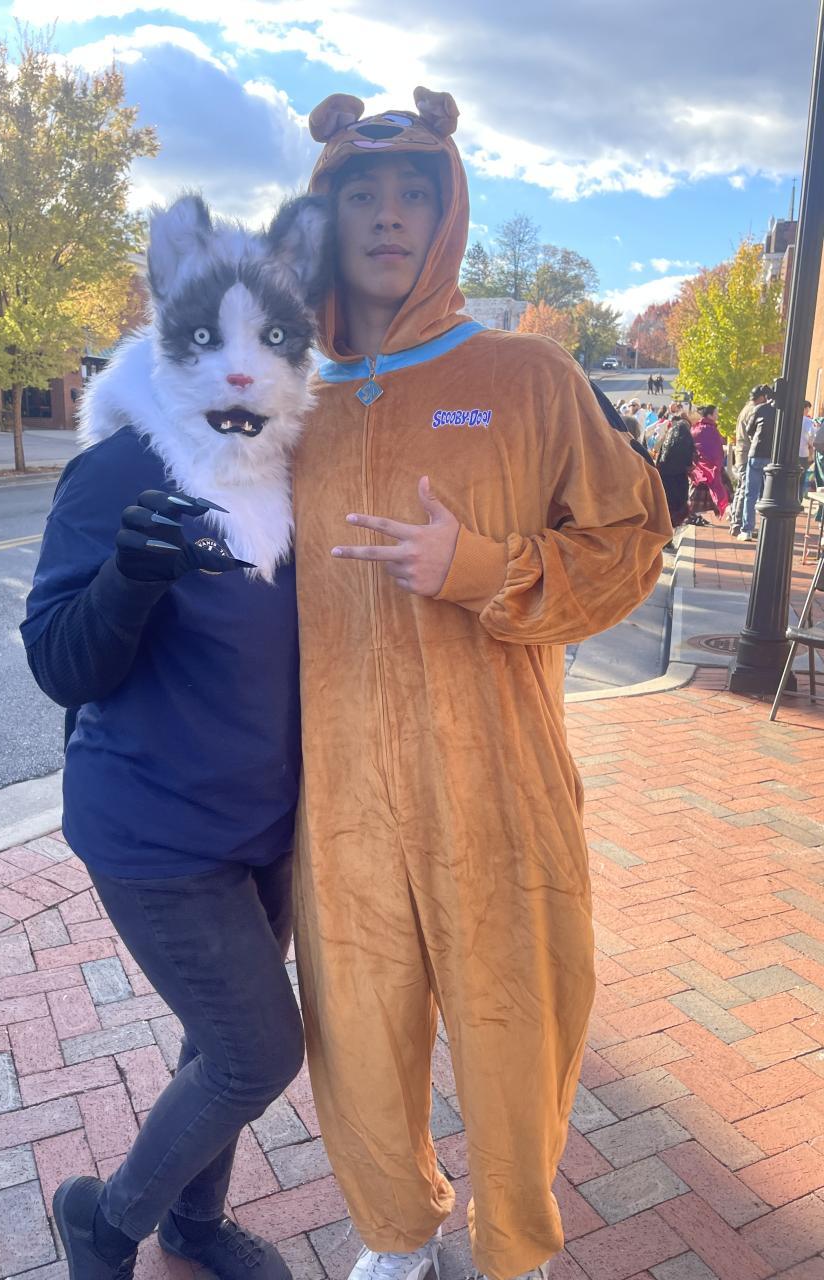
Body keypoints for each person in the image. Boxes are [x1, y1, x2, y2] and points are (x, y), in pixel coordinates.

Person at [292, 88, 671, 1280]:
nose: (387, 216)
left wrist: (484, 570)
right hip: (338, 793)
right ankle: (396, 1229)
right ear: (324, 214)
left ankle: (514, 1243)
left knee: (519, 1022)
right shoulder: (284, 401)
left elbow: (630, 539)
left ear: (447, 211)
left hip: (497, 779)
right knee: (357, 1029)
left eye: (414, 192)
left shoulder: (526, 375)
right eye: (362, 193)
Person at [20, 194, 331, 1280]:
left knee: (218, 1041)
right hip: (155, 832)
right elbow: (58, 661)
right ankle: (106, 1220)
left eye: (270, 337)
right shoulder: (118, 469)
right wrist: (129, 577)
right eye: (217, 338)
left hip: (266, 826)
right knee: (257, 1049)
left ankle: (196, 1224)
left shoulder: (295, 468)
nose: (242, 368)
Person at [738, 384, 775, 541]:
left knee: (750, 493)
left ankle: (747, 529)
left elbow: (749, 430)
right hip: (772, 456)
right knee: (768, 496)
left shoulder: (759, 409)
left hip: (756, 454)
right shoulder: (781, 412)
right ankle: (766, 529)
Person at [728, 386, 763, 535]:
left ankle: (735, 521)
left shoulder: (746, 408)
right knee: (745, 488)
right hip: (747, 452)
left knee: (741, 487)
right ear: (761, 397)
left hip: (741, 451)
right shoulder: (753, 410)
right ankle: (738, 524)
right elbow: (753, 434)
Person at [688, 405, 729, 521]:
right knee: (721, 490)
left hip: (699, 466)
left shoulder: (696, 427)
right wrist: (717, 463)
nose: (717, 416)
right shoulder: (710, 429)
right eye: (716, 413)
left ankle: (692, 514)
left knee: (696, 493)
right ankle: (691, 515)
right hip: (710, 466)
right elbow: (716, 449)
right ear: (710, 415)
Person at [656, 413, 696, 531]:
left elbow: (659, 458)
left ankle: (664, 530)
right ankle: (671, 530)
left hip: (664, 477)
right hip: (679, 478)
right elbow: (689, 462)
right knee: (677, 507)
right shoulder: (687, 440)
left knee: (665, 505)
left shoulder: (668, 439)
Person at [800, 399, 817, 499]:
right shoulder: (807, 421)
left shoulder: (791, 419)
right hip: (803, 453)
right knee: (801, 478)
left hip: (790, 454)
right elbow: (812, 437)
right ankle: (799, 499)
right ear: (805, 408)